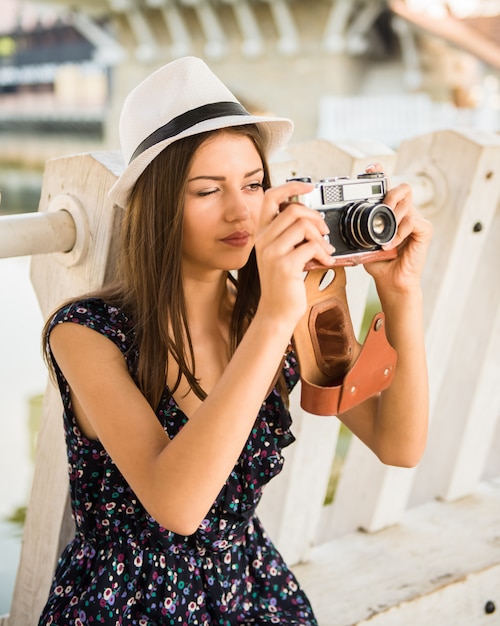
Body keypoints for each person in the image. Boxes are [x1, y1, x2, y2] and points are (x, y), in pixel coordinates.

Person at [38, 56, 432, 625]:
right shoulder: (87, 333)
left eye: (253, 184)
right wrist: (274, 317)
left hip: (250, 588)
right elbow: (178, 505)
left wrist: (401, 295)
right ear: (154, 204)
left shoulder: (275, 310)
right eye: (206, 190)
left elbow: (399, 445)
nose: (240, 210)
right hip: (127, 604)